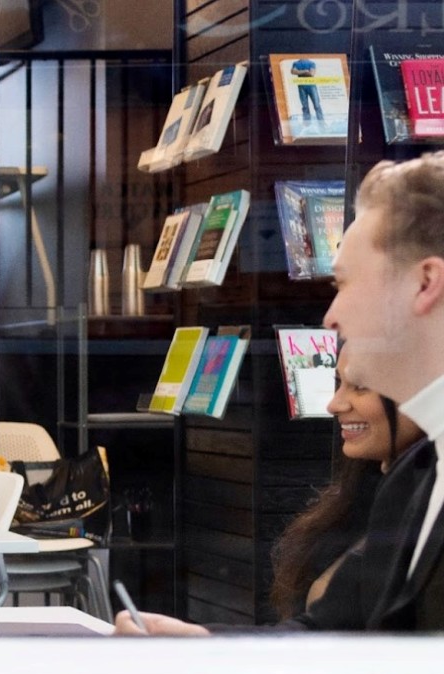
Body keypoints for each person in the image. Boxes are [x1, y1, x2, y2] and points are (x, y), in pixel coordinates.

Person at [120, 152, 444, 634]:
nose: (330, 316)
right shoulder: (415, 476)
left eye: (342, 283)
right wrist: (203, 649)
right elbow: (335, 637)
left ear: (425, 283)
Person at [268, 347, 424, 620]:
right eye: (339, 383)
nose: (335, 404)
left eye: (361, 387)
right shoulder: (365, 497)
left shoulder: (427, 504)